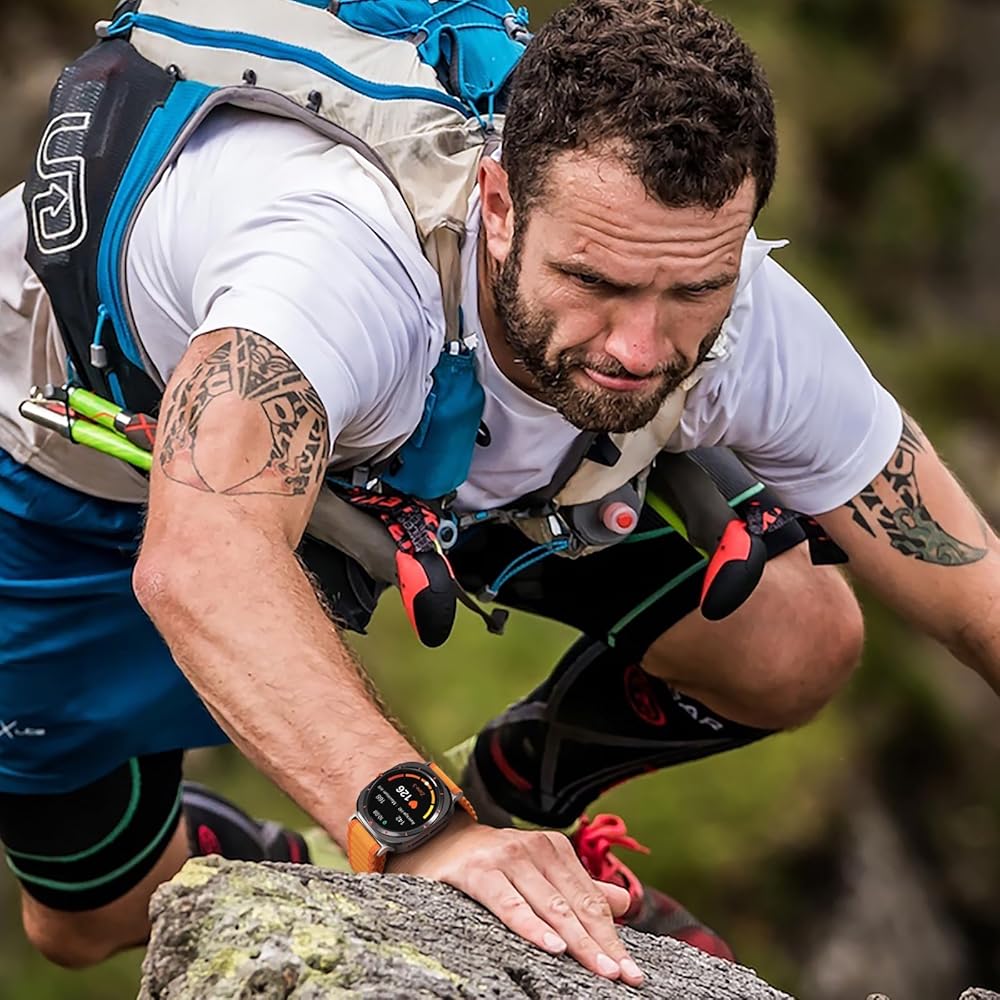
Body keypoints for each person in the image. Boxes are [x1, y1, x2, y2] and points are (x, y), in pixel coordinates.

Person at [0, 0, 996, 988]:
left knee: (796, 640)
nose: (639, 346)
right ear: (500, 203)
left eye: (694, 291)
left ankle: (515, 804)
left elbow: (973, 590)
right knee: (89, 918)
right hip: (78, 468)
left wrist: (475, 824)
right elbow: (202, 563)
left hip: (437, 441)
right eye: (595, 281)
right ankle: (328, 853)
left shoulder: (742, 315)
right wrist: (426, 835)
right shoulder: (332, 267)